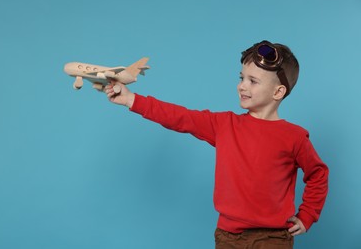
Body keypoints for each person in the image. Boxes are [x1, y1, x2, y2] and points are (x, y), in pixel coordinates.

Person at [98, 40, 329, 249]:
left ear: (278, 91)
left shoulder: (294, 136)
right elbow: (180, 117)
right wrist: (130, 99)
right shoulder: (224, 124)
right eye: (241, 78)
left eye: (253, 81)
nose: (242, 86)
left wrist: (307, 215)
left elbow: (318, 174)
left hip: (273, 238)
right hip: (228, 236)